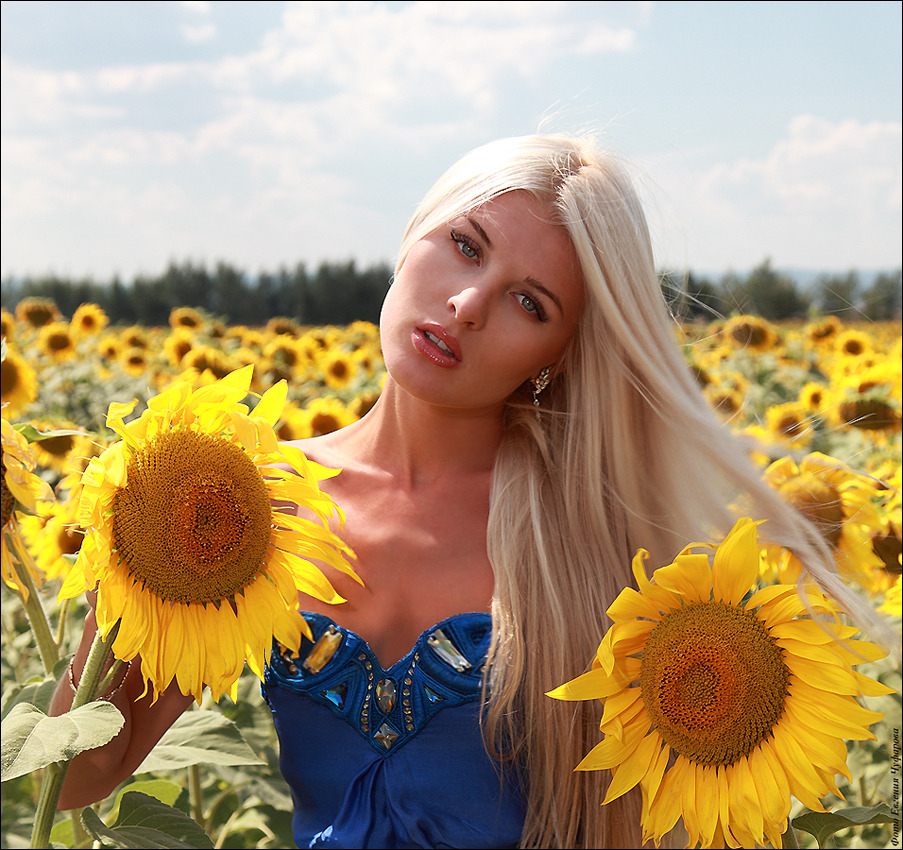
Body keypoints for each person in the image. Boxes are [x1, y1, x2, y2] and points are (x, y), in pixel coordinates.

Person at [50, 133, 882, 849]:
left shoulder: (590, 544)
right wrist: (131, 542)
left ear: (555, 352)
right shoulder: (241, 502)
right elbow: (85, 769)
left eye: (529, 301)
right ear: (414, 232)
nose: (468, 303)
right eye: (466, 244)